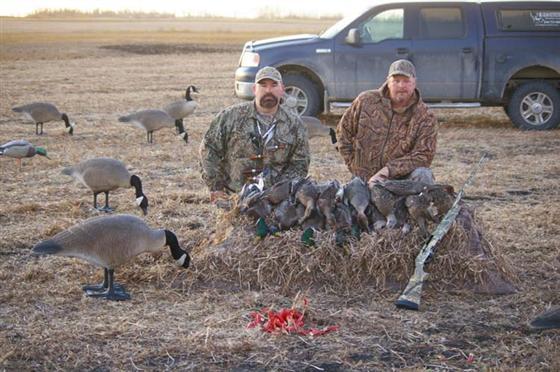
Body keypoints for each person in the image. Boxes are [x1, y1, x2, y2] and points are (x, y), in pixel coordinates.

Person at [200, 66, 310, 202]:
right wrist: (215, 186)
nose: (268, 90)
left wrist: (280, 192)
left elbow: (300, 164)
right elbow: (209, 148)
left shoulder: (294, 124)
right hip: (233, 198)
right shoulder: (230, 117)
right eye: (263, 85)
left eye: (274, 85)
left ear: (282, 90)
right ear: (254, 89)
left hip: (275, 201)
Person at [336, 59, 438, 187]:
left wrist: (388, 171)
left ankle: (415, 206)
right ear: (388, 82)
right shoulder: (366, 101)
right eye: (396, 81)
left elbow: (423, 155)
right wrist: (352, 163)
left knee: (423, 175)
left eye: (406, 81)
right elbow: (343, 131)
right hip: (364, 179)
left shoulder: (425, 116)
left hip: (402, 182)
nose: (401, 85)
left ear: (414, 83)